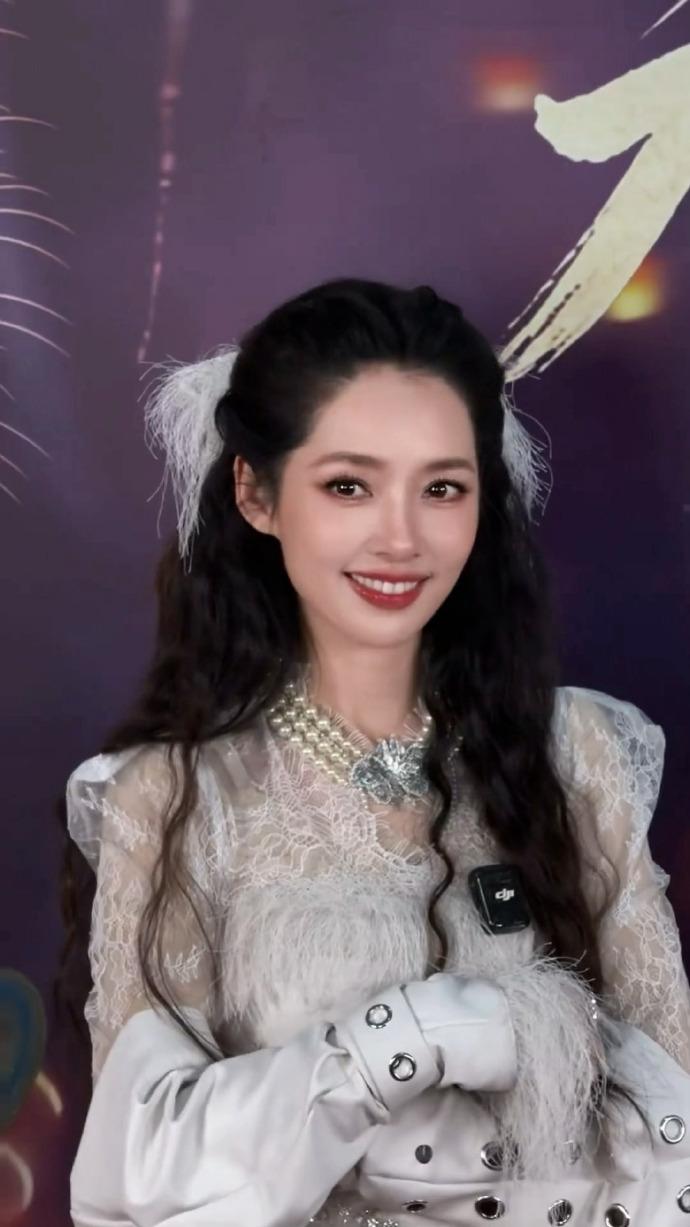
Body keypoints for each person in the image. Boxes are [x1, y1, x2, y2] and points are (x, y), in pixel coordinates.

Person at [61, 278, 690, 1227]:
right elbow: (139, 1177)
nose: (400, 537)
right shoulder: (172, 796)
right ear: (257, 493)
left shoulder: (580, 754)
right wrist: (415, 1037)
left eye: (442, 488)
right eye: (348, 485)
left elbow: (675, 1122)